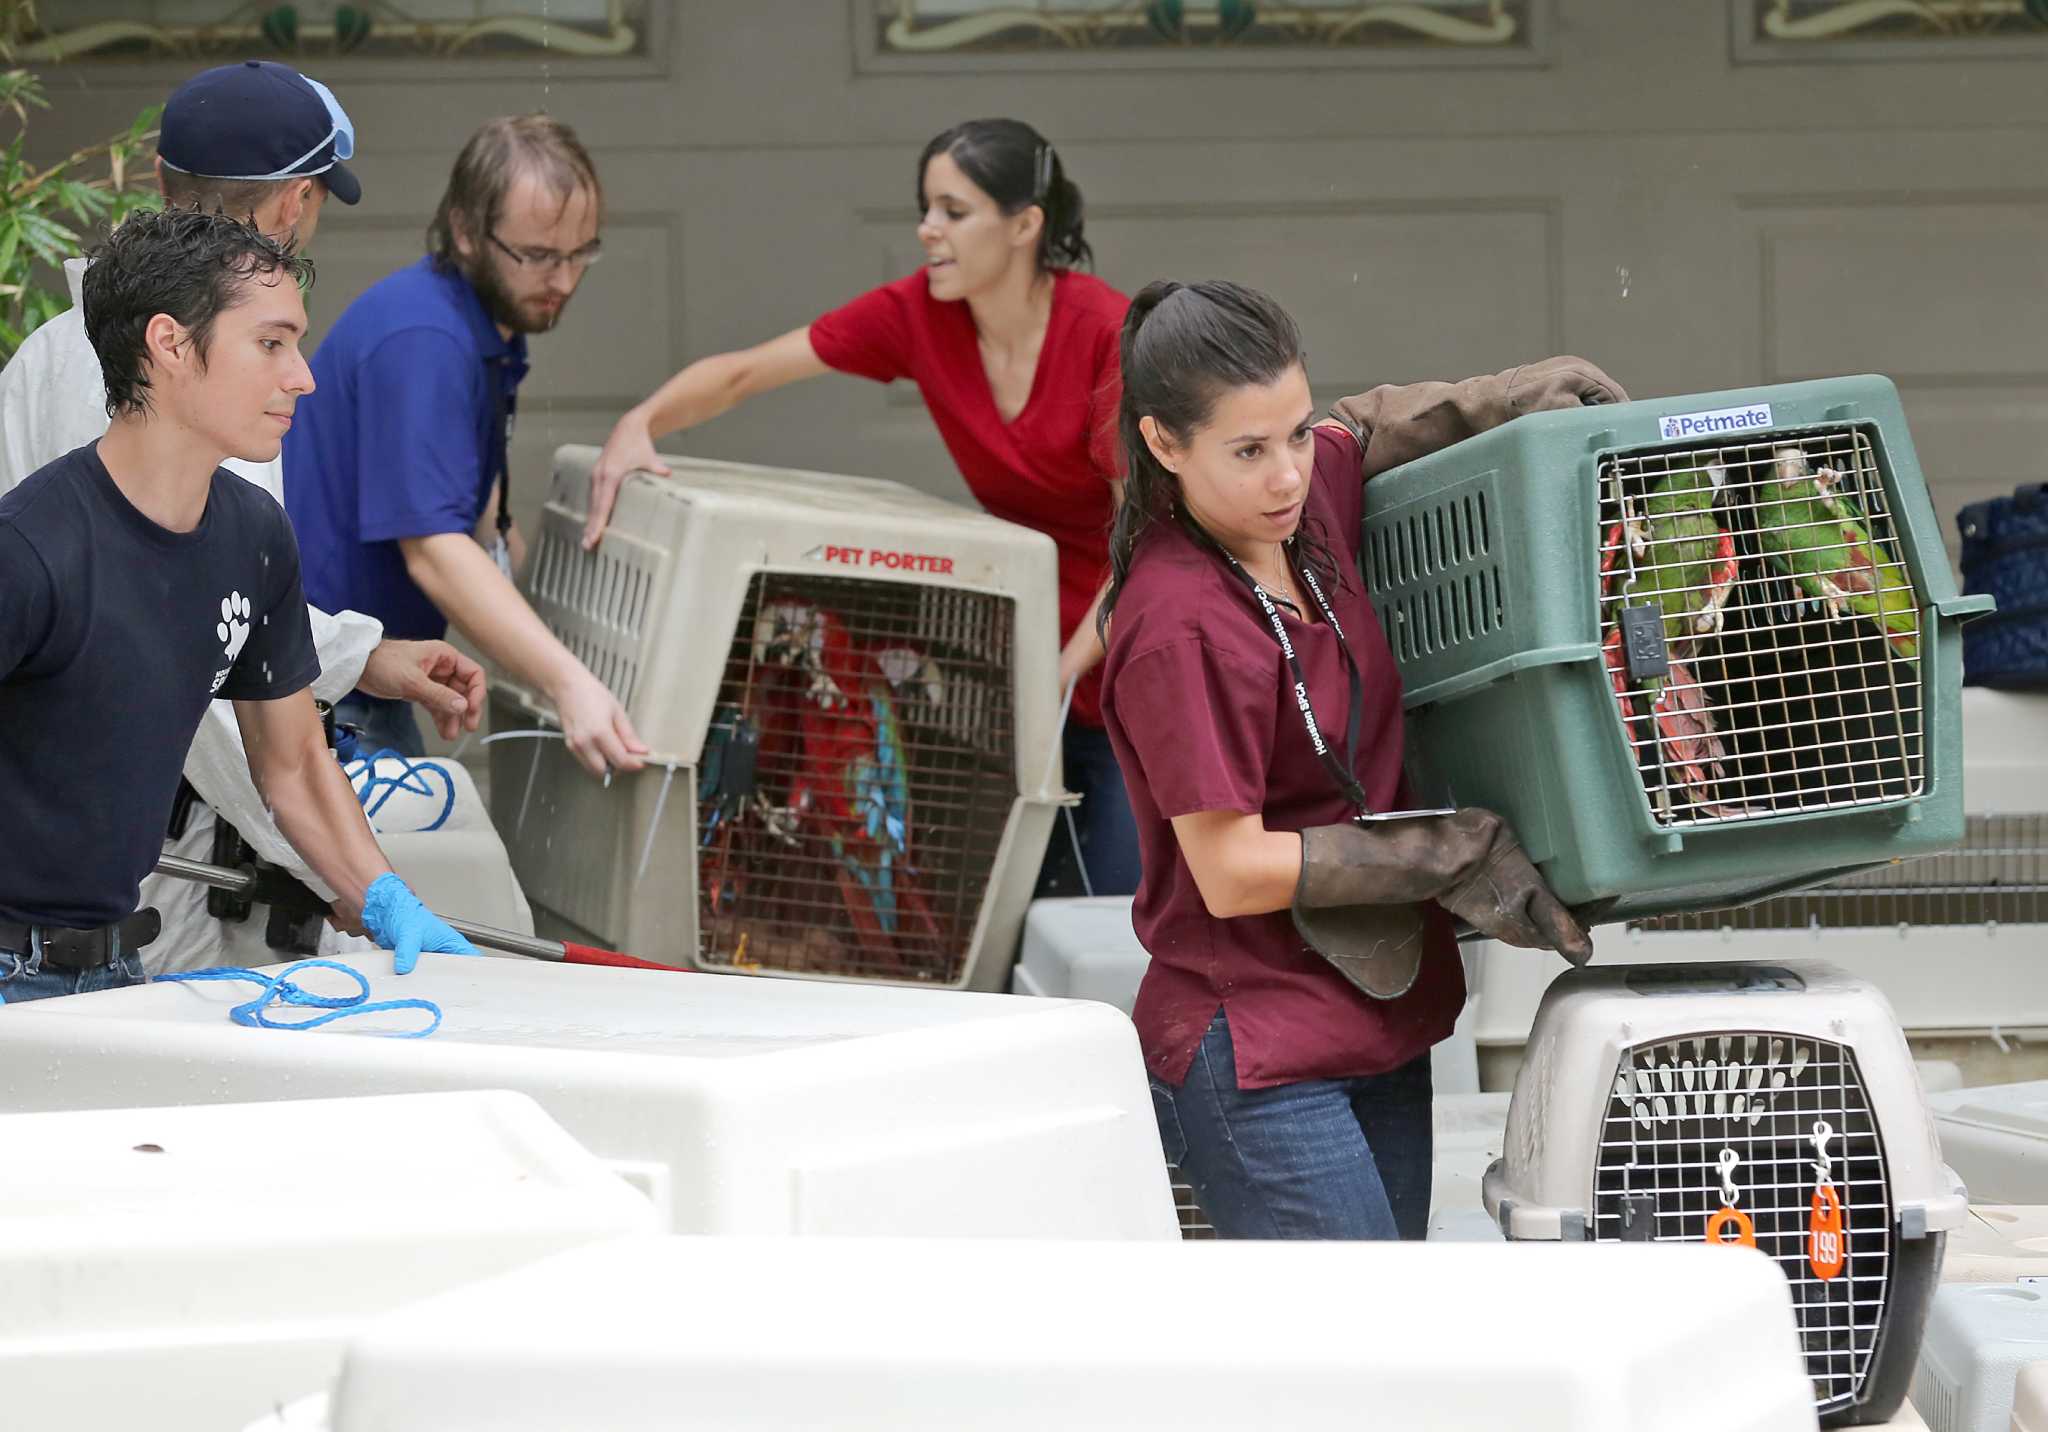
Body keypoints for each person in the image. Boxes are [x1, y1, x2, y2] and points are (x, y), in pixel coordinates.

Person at [1099, 279, 1622, 1240]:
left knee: (1398, 1339)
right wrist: (1445, 851)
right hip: (1255, 1046)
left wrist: (1506, 396)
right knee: (1357, 1354)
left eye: (1290, 434)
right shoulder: (1177, 625)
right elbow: (1230, 870)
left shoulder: (1304, 512)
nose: (1287, 474)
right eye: (1248, 451)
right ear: (1163, 444)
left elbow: (1362, 429)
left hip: (1379, 1015)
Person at [0, 60, 485, 975]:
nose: (302, 376)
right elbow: (184, 667)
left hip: (115, 950)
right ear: (169, 347)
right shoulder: (36, 548)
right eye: (273, 344)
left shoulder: (242, 529)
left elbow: (282, 740)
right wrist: (319, 870)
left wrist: (383, 894)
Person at [580, 118, 1137, 897]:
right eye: (925, 208)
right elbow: (747, 372)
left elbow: (1146, 541)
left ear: (1024, 224)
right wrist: (638, 424)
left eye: (953, 210)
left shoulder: (1106, 332)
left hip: (1131, 659)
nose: (926, 230)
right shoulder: (920, 314)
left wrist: (1063, 672)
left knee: (1114, 921)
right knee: (1013, 929)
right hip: (1031, 676)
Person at [283, 114, 644, 777]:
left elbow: (473, 504)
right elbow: (436, 552)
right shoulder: (426, 339)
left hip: (361, 676)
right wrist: (569, 684)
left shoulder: (478, 320)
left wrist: (540, 636)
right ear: (466, 233)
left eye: (580, 253)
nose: (563, 282)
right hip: (329, 694)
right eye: (538, 256)